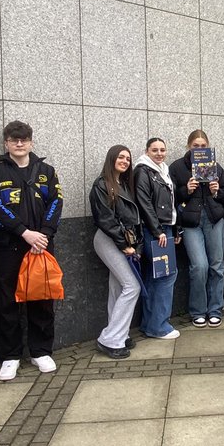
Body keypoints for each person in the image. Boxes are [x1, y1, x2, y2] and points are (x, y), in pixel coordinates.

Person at [0, 121, 64, 380]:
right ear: (6, 143)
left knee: (42, 297)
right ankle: (10, 355)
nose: (19, 144)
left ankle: (41, 351)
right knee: (7, 300)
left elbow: (56, 202)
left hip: (41, 246)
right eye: (14, 139)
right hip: (10, 246)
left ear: (31, 142)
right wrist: (23, 232)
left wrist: (44, 236)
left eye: (24, 139)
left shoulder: (47, 171)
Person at [170, 129, 224, 326]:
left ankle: (215, 309)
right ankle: (198, 311)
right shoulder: (178, 167)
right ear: (189, 146)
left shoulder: (216, 167)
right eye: (196, 146)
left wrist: (216, 191)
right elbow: (171, 198)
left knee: (217, 265)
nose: (199, 149)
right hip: (190, 222)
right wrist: (185, 190)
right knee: (199, 266)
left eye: (203, 146)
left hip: (213, 219)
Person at [89, 145, 143, 359]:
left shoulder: (123, 184)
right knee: (132, 286)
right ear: (111, 158)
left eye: (128, 158)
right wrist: (124, 245)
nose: (124, 161)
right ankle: (110, 339)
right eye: (120, 157)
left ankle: (118, 333)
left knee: (118, 287)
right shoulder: (102, 184)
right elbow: (105, 219)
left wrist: (132, 244)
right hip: (108, 239)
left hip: (121, 240)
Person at [133, 138, 181, 340]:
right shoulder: (143, 171)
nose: (160, 153)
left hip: (164, 229)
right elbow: (144, 203)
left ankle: (149, 324)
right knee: (166, 274)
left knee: (155, 275)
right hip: (155, 230)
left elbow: (170, 204)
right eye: (155, 150)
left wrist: (175, 230)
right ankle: (159, 326)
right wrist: (158, 231)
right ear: (147, 151)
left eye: (162, 149)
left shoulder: (162, 170)